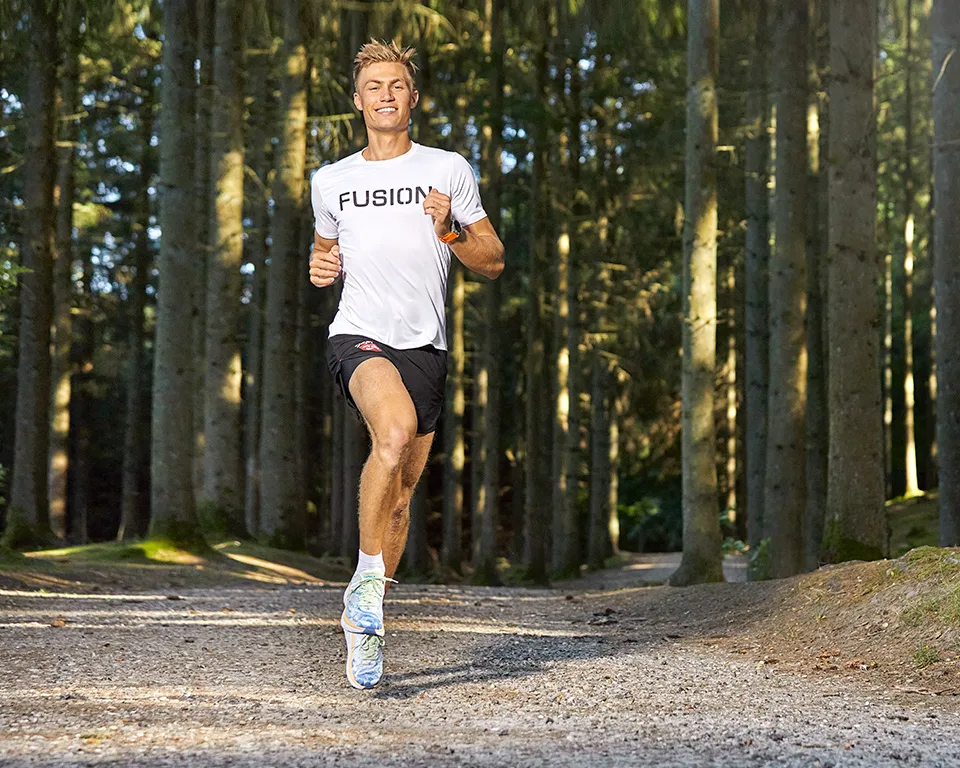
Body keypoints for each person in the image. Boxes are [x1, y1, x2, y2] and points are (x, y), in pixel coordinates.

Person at [309, 39, 505, 690]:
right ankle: (364, 585)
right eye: (374, 86)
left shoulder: (447, 169)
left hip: (426, 346)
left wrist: (450, 229)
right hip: (358, 335)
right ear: (357, 100)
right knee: (389, 436)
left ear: (413, 98)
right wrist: (318, 267)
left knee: (399, 496)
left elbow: (492, 261)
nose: (386, 95)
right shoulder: (331, 179)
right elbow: (324, 256)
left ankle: (366, 626)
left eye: (397, 85)